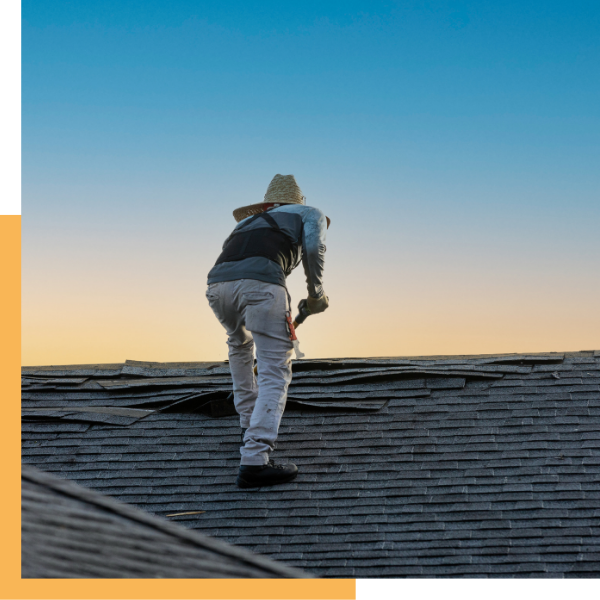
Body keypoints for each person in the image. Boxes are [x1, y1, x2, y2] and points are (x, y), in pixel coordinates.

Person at [206, 174, 330, 488]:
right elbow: (315, 248)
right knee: (276, 368)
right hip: (261, 287)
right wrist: (315, 295)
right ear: (297, 202)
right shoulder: (309, 214)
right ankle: (255, 458)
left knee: (239, 346)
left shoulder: (246, 224)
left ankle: (249, 426)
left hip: (217, 286)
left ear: (268, 203)